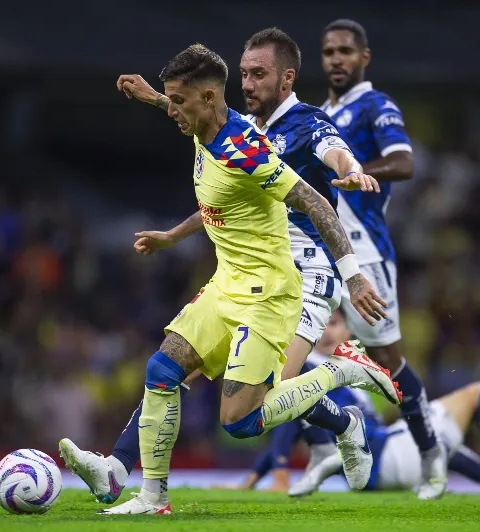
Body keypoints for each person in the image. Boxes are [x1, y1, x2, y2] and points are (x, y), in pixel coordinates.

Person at [61, 43, 402, 516]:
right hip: (227, 286)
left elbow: (315, 202)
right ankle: (151, 496)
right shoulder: (202, 121)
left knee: (239, 423)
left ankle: (340, 371)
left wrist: (356, 277)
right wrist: (150, 98)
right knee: (163, 369)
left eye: (179, 102)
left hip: (269, 295)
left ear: (206, 98)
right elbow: (215, 194)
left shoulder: (248, 150)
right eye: (170, 101)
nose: (173, 111)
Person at [229, 312, 480, 497]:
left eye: (335, 323)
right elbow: (289, 417)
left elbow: (295, 416)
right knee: (477, 395)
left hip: (381, 461)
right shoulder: (307, 367)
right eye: (323, 323)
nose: (327, 331)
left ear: (350, 329)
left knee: (435, 445)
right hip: (382, 455)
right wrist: (274, 470)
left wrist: (256, 476)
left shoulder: (342, 367)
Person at [318, 19, 446, 499]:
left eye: (346, 51)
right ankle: (328, 441)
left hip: (364, 252)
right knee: (287, 349)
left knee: (388, 358)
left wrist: (355, 172)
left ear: (363, 57)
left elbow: (405, 162)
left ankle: (432, 456)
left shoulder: (376, 105)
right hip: (316, 250)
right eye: (329, 51)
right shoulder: (317, 114)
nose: (336, 59)